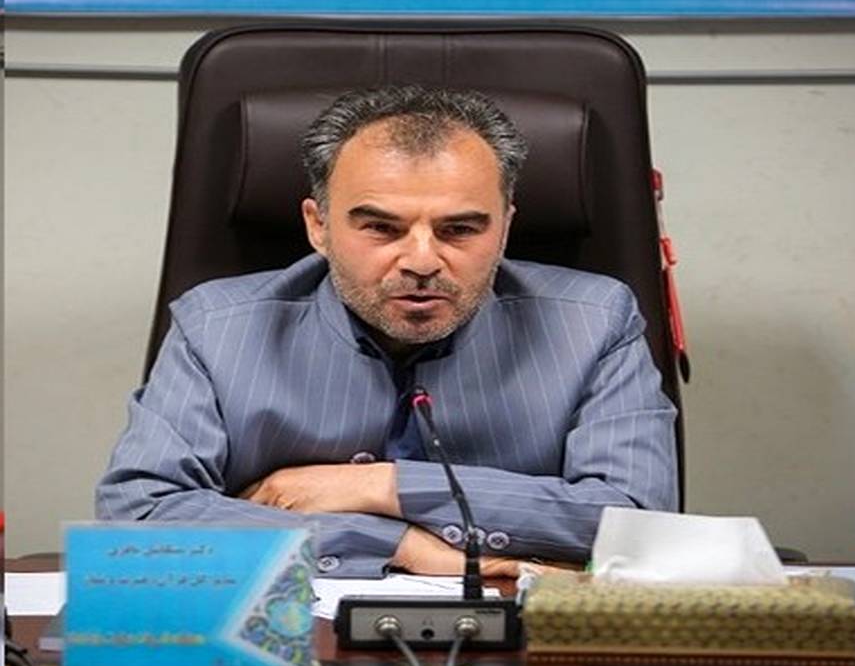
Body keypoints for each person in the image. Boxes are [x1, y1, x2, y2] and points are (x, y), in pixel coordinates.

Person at [96, 85, 679, 578]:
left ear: (505, 228)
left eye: (460, 229)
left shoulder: (595, 321)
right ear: (318, 226)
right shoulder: (216, 327)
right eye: (381, 228)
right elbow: (138, 513)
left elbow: (638, 521)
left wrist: (384, 486)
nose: (421, 260)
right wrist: (394, 545)